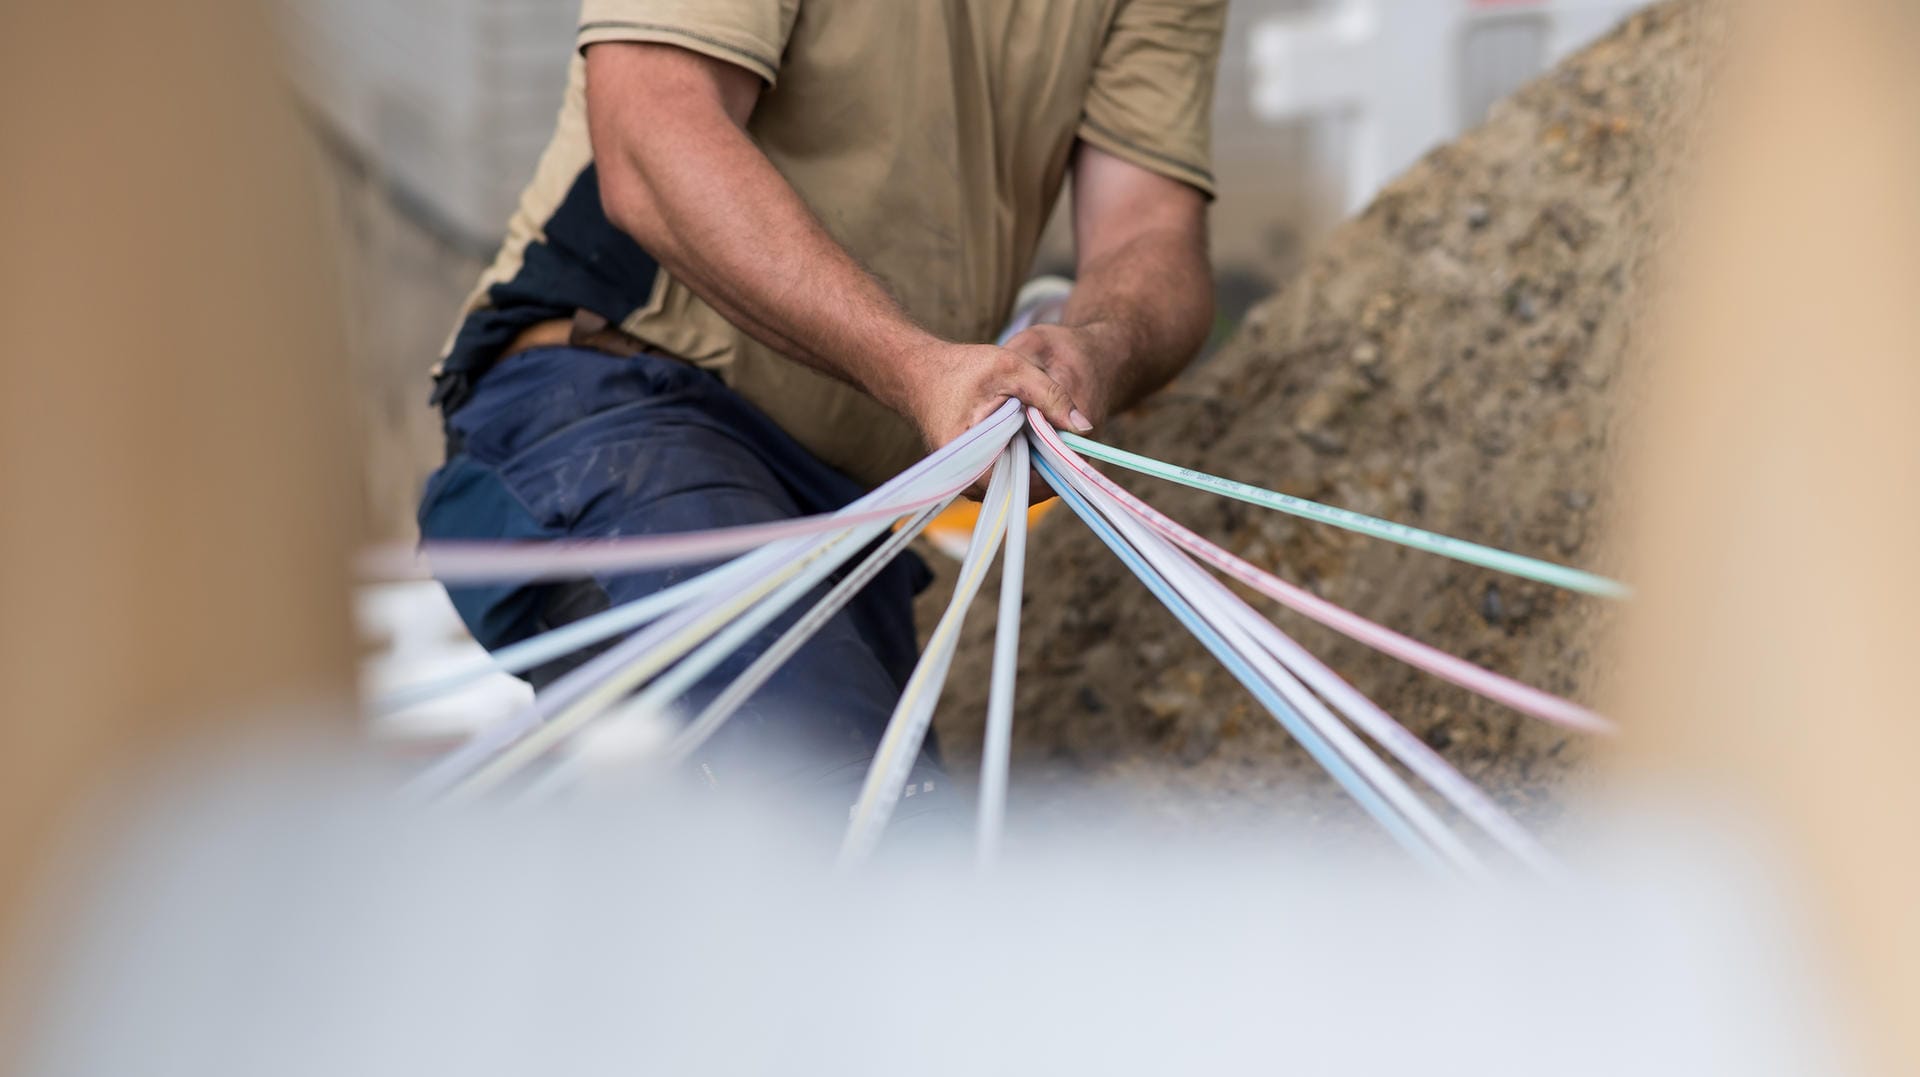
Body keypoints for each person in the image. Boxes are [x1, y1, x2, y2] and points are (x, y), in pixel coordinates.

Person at [419, 0, 1224, 818]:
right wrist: (918, 368)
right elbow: (652, 126)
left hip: (849, 514)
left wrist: (1094, 347)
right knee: (852, 831)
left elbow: (1151, 223)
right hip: (618, 411)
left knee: (886, 855)